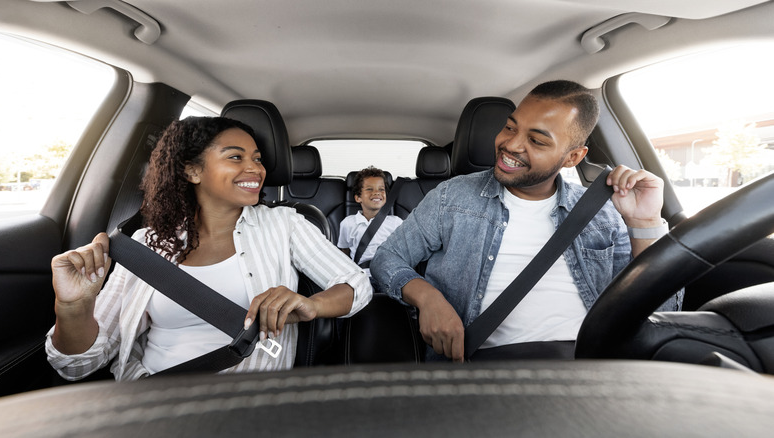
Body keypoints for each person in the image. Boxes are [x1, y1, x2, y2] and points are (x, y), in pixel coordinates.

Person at [371, 80, 682, 362]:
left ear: (573, 157)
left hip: (590, 365)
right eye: (510, 127)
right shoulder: (452, 197)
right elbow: (387, 257)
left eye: (536, 141)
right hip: (480, 366)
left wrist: (645, 222)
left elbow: (659, 315)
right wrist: (428, 298)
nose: (511, 145)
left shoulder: (604, 213)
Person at [46, 116, 372, 381]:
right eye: (236, 157)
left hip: (247, 406)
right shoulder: (144, 244)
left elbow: (357, 284)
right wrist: (72, 306)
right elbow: (77, 366)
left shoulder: (284, 224)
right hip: (152, 399)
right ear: (192, 170)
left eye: (258, 159)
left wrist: (312, 304)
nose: (256, 169)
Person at [337, 166, 403, 273]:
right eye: (369, 189)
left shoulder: (396, 222)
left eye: (381, 189)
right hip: (362, 273)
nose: (377, 192)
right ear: (358, 198)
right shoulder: (348, 223)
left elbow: (405, 251)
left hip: (391, 271)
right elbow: (345, 252)